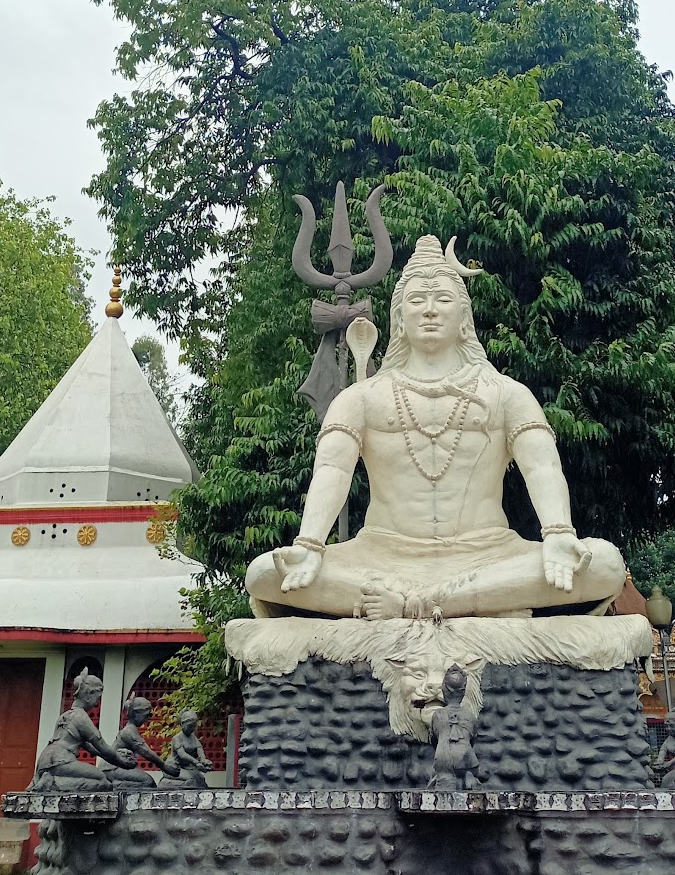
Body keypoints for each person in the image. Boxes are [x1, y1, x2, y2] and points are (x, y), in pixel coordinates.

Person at [245, 235, 626, 621]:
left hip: (487, 555)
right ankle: (473, 602)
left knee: (606, 565)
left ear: (464, 317)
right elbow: (332, 471)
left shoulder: (506, 393)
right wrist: (309, 544)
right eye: (416, 300)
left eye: (442, 299)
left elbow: (542, 467)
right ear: (398, 318)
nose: (429, 310)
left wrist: (559, 534)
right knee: (263, 573)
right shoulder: (361, 398)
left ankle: (424, 604)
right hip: (381, 558)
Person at [31, 671, 139, 789]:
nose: (97, 704)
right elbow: (101, 745)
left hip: (44, 759)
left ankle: (50, 779)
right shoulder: (81, 717)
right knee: (102, 781)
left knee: (100, 780)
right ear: (89, 694)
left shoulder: (65, 715)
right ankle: (53, 782)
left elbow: (93, 749)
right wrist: (121, 762)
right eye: (97, 699)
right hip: (61, 760)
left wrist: (116, 758)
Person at [159, 709, 213, 789]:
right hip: (174, 767)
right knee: (191, 780)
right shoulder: (176, 738)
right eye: (190, 726)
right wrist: (196, 762)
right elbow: (182, 755)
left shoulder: (193, 737)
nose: (192, 729)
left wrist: (203, 760)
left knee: (200, 779)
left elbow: (199, 748)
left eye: (194, 726)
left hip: (187, 766)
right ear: (182, 724)